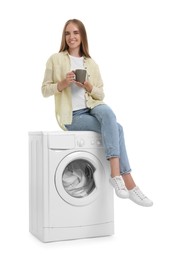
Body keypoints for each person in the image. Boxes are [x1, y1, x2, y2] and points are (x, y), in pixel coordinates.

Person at [42, 18, 153, 207]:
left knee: (109, 114)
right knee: (117, 129)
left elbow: (101, 93)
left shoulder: (91, 63)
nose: (71, 37)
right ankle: (129, 184)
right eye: (68, 33)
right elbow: (45, 90)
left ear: (82, 36)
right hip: (73, 117)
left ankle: (116, 176)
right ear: (64, 37)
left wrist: (88, 85)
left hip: (92, 107)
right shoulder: (56, 59)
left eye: (76, 33)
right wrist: (63, 83)